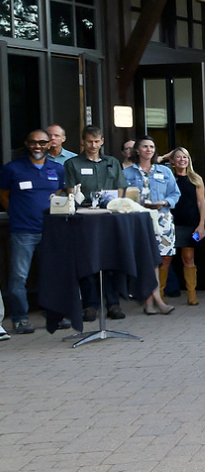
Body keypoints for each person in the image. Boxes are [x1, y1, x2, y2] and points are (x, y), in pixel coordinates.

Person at [0, 129, 66, 334]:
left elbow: (58, 193)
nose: (38, 146)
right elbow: (4, 196)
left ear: (50, 144)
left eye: (42, 142)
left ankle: (52, 314)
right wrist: (18, 214)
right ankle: (20, 318)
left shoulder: (57, 169)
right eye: (33, 142)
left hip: (49, 230)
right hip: (23, 231)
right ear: (27, 144)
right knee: (19, 276)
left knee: (51, 274)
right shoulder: (12, 169)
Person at [64, 126, 128, 320]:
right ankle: (89, 306)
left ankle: (113, 304)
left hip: (108, 217)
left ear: (102, 141)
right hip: (83, 218)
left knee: (110, 261)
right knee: (86, 261)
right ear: (82, 141)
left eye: (96, 141)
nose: (93, 145)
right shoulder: (72, 163)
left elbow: (121, 188)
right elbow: (69, 192)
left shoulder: (113, 162)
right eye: (89, 141)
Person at [123, 136, 181, 316]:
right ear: (137, 150)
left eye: (151, 146)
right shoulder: (127, 173)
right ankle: (153, 301)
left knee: (160, 260)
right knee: (146, 261)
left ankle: (154, 299)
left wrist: (164, 201)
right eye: (145, 147)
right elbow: (122, 197)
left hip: (162, 219)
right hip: (139, 220)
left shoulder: (165, 171)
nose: (148, 149)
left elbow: (175, 193)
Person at [167, 147, 205, 305]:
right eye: (178, 157)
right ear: (172, 160)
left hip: (193, 225)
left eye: (185, 157)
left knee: (189, 257)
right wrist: (166, 155)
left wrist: (202, 224)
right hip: (171, 223)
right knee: (166, 258)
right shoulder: (168, 177)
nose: (182, 160)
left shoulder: (196, 178)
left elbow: (201, 202)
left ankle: (192, 295)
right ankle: (162, 294)